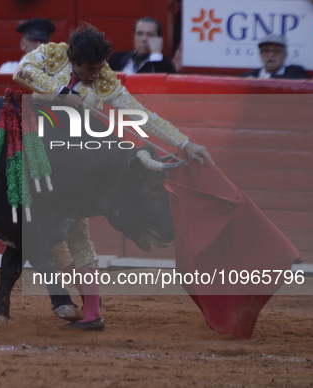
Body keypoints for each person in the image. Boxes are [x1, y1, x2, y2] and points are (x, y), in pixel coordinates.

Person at [14, 22, 212, 331]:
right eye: (91, 68)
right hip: (36, 159)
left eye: (100, 66)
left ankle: (92, 311)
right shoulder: (51, 56)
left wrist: (185, 143)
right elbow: (22, 73)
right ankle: (79, 302)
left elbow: (142, 116)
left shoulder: (104, 79)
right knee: (50, 238)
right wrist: (64, 93)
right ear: (74, 60)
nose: (97, 73)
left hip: (73, 168)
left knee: (76, 232)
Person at [108, 17, 176, 74]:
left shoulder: (166, 65)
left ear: (158, 40)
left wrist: (156, 55)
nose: (144, 39)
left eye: (150, 35)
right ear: (134, 37)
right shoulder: (116, 59)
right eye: (140, 34)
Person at [240, 34, 306, 79]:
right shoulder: (247, 76)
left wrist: (265, 78)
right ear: (260, 55)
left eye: (276, 51)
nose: (270, 55)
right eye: (265, 51)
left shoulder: (296, 72)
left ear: (285, 55)